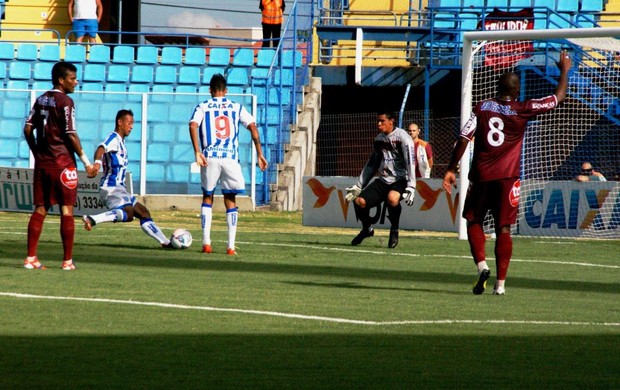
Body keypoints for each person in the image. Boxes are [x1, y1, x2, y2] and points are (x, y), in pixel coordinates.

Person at [442, 51, 571, 295]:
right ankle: (500, 285)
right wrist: (564, 70)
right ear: (517, 91)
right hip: (508, 179)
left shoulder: (482, 107)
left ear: (497, 87)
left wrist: (451, 168)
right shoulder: (524, 108)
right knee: (503, 228)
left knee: (473, 220)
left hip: (480, 176)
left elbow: (463, 138)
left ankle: (482, 265)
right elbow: (558, 97)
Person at [23, 61, 97, 270]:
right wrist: (87, 163)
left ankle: (30, 258)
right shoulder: (66, 102)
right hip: (63, 163)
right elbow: (70, 134)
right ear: (61, 80)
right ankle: (67, 261)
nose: (76, 82)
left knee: (41, 208)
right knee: (67, 209)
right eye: (72, 78)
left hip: (43, 162)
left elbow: (28, 130)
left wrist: (36, 152)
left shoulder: (40, 99)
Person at [189, 73, 268, 255]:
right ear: (226, 91)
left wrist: (197, 152)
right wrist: (260, 154)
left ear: (210, 90)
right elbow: (253, 128)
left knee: (207, 197)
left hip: (210, 156)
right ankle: (230, 246)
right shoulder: (236, 107)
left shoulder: (203, 106)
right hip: (230, 157)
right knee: (230, 199)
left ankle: (206, 243)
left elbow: (193, 125)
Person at [81, 110, 173, 248]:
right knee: (128, 214)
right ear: (120, 122)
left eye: (133, 124)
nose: (131, 126)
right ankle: (92, 219)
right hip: (111, 187)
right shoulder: (114, 138)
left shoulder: (122, 142)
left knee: (143, 212)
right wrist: (97, 163)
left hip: (120, 188)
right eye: (129, 123)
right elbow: (101, 148)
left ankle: (165, 242)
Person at [345, 110, 416, 249]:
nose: (378, 124)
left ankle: (394, 230)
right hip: (383, 180)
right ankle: (367, 230)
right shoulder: (378, 139)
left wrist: (411, 186)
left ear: (391, 121)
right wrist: (360, 185)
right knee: (359, 201)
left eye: (382, 121)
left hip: (400, 179)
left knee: (392, 198)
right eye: (377, 120)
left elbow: (411, 162)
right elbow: (372, 163)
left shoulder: (403, 138)